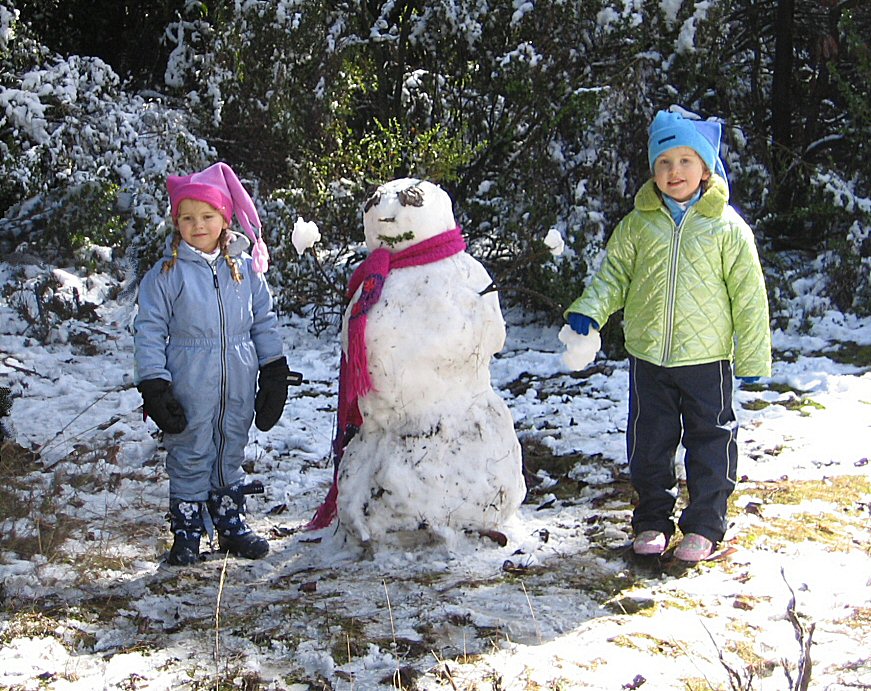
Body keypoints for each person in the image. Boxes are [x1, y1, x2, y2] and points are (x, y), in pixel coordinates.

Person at [564, 109, 771, 562]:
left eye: (685, 161)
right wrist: (589, 310)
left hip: (706, 359)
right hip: (649, 358)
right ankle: (652, 519)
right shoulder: (638, 224)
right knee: (650, 442)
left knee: (710, 440)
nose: (674, 171)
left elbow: (749, 297)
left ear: (705, 168)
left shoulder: (727, 228)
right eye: (663, 162)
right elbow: (613, 276)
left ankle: (705, 524)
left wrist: (753, 359)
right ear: (653, 170)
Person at [134, 162, 294, 566]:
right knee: (190, 448)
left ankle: (229, 522)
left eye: (207, 216)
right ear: (177, 223)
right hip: (190, 376)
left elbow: (264, 321)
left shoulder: (245, 269)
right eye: (187, 218)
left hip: (238, 375)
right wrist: (154, 383)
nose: (198, 225)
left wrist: (274, 370)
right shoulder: (167, 274)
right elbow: (149, 330)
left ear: (225, 219)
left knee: (230, 444)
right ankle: (187, 530)